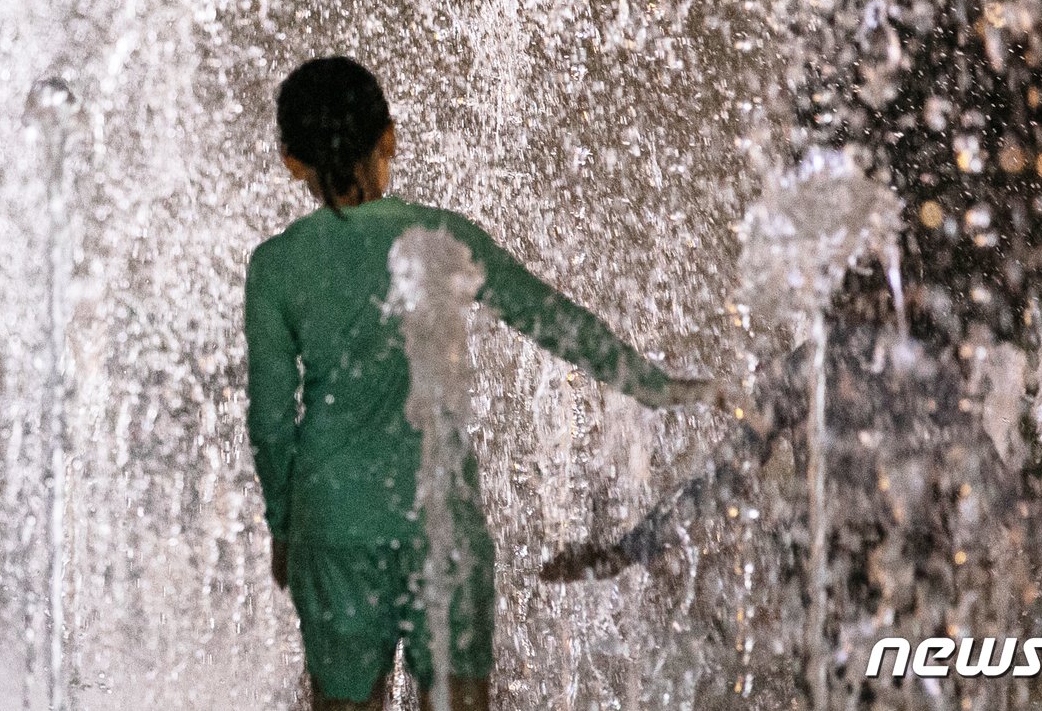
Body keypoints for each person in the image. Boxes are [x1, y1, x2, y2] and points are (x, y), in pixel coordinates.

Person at [245, 56, 727, 711]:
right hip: (440, 517)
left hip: (333, 524)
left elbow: (271, 422)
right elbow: (552, 320)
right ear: (390, 137)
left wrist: (283, 526)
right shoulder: (441, 238)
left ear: (290, 160)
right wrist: (654, 386)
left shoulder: (276, 267)